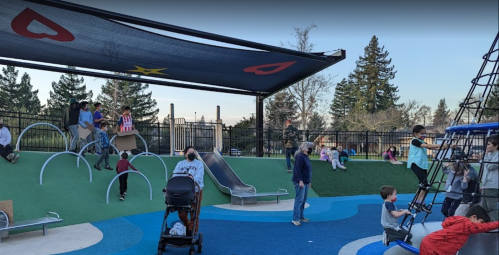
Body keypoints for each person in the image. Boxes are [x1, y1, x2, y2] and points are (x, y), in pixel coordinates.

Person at [407, 125, 455, 213]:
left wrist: (447, 146)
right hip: (415, 164)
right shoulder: (415, 141)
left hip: (422, 165)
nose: (424, 135)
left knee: (425, 184)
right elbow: (428, 145)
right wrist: (442, 145)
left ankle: (420, 201)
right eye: (422, 133)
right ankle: (416, 201)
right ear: (415, 133)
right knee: (424, 183)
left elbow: (432, 147)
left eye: (425, 134)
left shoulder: (421, 141)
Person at [419, 205, 499, 255]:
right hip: (432, 248)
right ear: (473, 217)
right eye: (481, 222)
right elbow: (484, 227)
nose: (482, 225)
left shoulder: (461, 223)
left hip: (431, 246)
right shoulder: (466, 224)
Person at [172, 146, 204, 235]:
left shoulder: (199, 164)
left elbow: (199, 177)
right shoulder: (180, 164)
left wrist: (190, 180)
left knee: (194, 213)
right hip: (183, 192)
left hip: (196, 191)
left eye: (193, 152)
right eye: (190, 152)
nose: (192, 154)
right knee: (182, 213)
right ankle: (188, 226)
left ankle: (193, 232)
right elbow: (175, 175)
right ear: (186, 154)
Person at [291, 141, 314, 226]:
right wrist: (300, 180)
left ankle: (301, 216)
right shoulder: (300, 157)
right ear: (305, 148)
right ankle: (295, 218)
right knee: (299, 199)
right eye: (309, 148)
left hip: (305, 181)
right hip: (299, 181)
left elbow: (308, 170)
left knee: (303, 199)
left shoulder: (306, 157)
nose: (311, 149)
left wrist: (309, 181)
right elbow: (297, 169)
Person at [481, 134, 498, 221]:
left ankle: (495, 224)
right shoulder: (490, 155)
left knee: (491, 207)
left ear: (496, 145)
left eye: (489, 144)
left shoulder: (497, 155)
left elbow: (490, 166)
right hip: (487, 184)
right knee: (484, 206)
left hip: (493, 185)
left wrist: (486, 156)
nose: (486, 146)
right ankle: (488, 223)